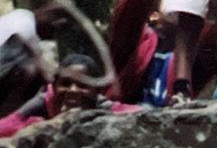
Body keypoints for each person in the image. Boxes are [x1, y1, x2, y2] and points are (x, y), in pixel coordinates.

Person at [0, 54, 142, 138]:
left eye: (82, 85)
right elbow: (5, 126)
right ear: (55, 86)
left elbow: (144, 116)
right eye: (65, 83)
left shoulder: (104, 108)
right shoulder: (39, 106)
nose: (73, 90)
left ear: (98, 90)